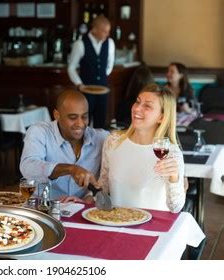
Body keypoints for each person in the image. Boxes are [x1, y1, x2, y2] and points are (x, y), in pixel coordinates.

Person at [97, 84, 185, 212]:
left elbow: (175, 207)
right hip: (116, 222)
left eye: (147, 106)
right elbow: (103, 187)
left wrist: (174, 177)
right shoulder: (113, 141)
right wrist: (87, 198)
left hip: (153, 228)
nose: (137, 108)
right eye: (137, 101)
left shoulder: (171, 153)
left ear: (161, 117)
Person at [20, 90, 109, 203]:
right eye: (73, 118)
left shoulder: (101, 138)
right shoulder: (39, 132)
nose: (80, 124)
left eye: (84, 117)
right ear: (57, 115)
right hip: (43, 207)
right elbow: (28, 167)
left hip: (80, 209)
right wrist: (70, 169)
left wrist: (91, 197)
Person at [68, 15, 115, 129]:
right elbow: (71, 67)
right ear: (94, 29)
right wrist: (80, 85)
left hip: (103, 90)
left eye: (108, 31)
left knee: (101, 125)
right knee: (84, 124)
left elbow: (109, 65)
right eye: (104, 31)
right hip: (86, 92)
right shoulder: (80, 44)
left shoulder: (110, 43)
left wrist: (101, 77)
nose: (107, 34)